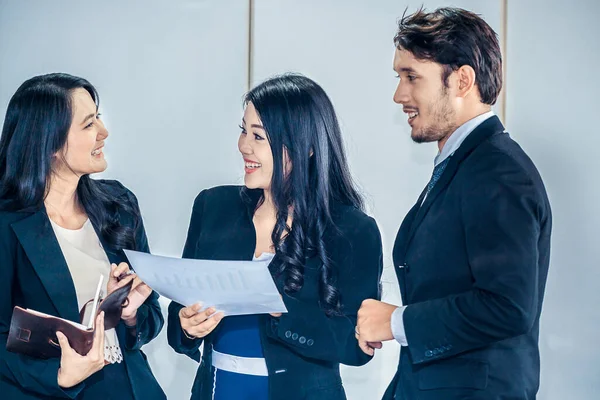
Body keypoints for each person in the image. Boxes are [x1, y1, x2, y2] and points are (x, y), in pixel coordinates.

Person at [355, 7, 552, 400]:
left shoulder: (499, 172)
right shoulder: (466, 166)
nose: (399, 95)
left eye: (412, 77)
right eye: (399, 78)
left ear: (462, 80)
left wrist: (397, 322)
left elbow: (507, 307)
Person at [167, 74, 383, 400]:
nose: (244, 146)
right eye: (243, 131)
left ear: (306, 147)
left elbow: (356, 346)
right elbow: (180, 308)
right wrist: (185, 325)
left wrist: (280, 310)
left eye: (258, 136)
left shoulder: (353, 231)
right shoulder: (213, 206)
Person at [0, 73, 166, 399]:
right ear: (50, 144)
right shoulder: (7, 224)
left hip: (131, 387)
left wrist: (131, 313)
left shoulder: (119, 204)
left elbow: (151, 318)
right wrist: (57, 375)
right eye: (89, 124)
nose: (104, 132)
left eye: (98, 117)